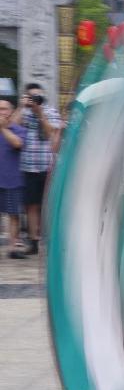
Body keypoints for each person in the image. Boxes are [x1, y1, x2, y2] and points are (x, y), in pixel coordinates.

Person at [10, 83, 61, 259]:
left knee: (48, 205)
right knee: (31, 205)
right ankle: (33, 241)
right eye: (31, 96)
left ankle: (52, 241)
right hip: (28, 165)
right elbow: (12, 126)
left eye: (37, 96)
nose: (35, 100)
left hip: (47, 165)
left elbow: (50, 134)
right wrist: (22, 106)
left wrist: (40, 114)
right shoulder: (24, 112)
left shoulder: (50, 111)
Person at [0, 98, 26, 258]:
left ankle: (12, 248)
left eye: (4, 109)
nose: (1, 112)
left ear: (11, 111)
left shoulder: (18, 130)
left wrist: (3, 129)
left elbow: (17, 144)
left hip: (12, 179)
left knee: (13, 215)